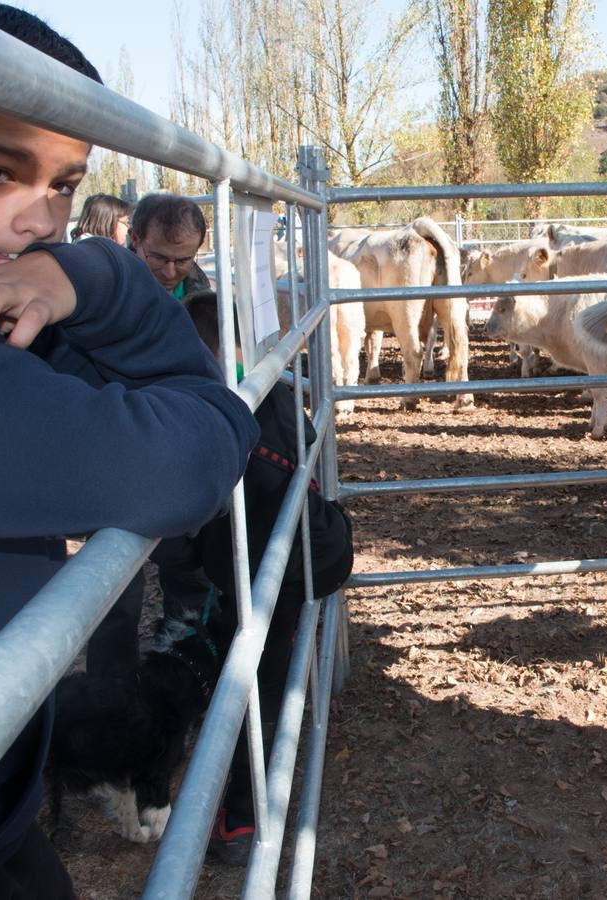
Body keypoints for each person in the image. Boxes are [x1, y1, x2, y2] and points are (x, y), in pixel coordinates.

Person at [0, 1, 260, 896]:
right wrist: (102, 274)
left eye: (65, 186)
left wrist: (73, 277)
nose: (39, 219)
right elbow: (198, 445)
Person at [178, 290, 354, 865]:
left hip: (269, 570)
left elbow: (205, 524)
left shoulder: (216, 415)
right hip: (311, 548)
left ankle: (239, 819)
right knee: (266, 668)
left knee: (255, 683)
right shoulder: (276, 393)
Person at [128, 192, 213, 298]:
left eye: (182, 261)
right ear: (135, 239)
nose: (170, 274)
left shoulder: (206, 303)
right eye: (158, 258)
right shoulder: (109, 298)